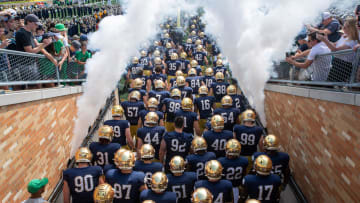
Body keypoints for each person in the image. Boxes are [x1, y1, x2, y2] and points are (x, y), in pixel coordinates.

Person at [318, 18, 360, 82]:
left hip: (344, 65)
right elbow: (333, 45)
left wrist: (325, 40)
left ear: (351, 28)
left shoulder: (352, 41)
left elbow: (335, 49)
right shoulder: (344, 36)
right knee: (330, 85)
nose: (343, 28)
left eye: (345, 27)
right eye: (343, 26)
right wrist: (325, 39)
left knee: (330, 85)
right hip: (337, 62)